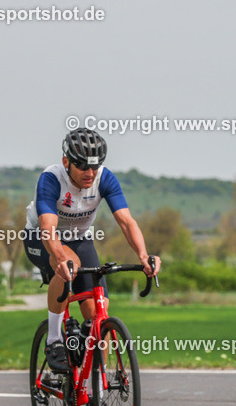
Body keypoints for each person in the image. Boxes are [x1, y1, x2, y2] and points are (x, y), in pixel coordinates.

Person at [24, 128, 160, 373]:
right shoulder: (51, 178)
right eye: (83, 167)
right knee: (69, 265)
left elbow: (127, 221)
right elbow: (47, 227)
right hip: (41, 237)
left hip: (80, 238)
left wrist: (143, 254)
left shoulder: (104, 179)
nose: (90, 173)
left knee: (98, 312)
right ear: (66, 161)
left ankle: (97, 381)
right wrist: (60, 258)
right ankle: (54, 340)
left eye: (94, 167)